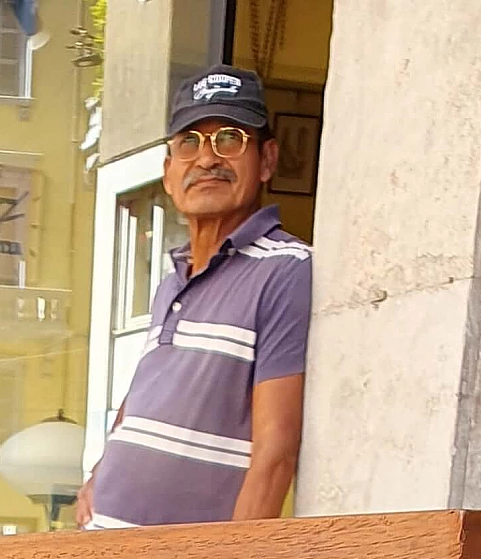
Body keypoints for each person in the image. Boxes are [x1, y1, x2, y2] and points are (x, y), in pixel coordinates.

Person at [77, 66, 311, 530]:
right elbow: (149, 387)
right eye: (190, 142)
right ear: (168, 173)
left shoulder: (287, 270)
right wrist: (99, 471)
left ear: (266, 160)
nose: (207, 159)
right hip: (101, 552)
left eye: (230, 139)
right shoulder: (174, 275)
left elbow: (275, 454)